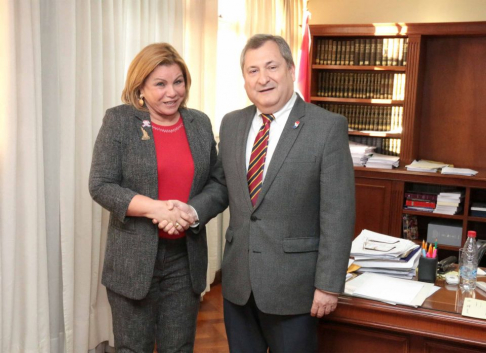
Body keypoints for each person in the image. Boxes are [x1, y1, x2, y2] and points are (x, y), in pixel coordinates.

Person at [167, 34, 356, 352]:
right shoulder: (232, 124)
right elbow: (222, 185)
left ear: (291, 69)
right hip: (239, 283)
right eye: (252, 70)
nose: (263, 78)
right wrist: (192, 211)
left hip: (295, 289)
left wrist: (328, 285)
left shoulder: (326, 128)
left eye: (272, 66)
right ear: (244, 79)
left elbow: (338, 214)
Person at [89, 42, 216, 352]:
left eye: (178, 81)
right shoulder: (120, 121)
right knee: (133, 348)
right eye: (160, 84)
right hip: (133, 259)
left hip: (184, 260)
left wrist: (189, 212)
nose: (171, 92)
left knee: (179, 347)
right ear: (141, 87)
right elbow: (101, 184)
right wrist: (157, 210)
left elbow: (217, 183)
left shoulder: (199, 124)